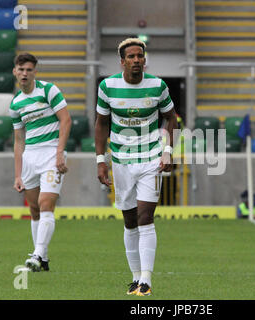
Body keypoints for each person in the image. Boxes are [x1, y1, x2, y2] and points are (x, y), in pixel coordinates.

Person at [94, 38, 178, 296]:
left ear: (144, 59)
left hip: (150, 159)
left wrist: (167, 151)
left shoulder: (157, 86)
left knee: (145, 217)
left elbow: (171, 118)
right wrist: (101, 160)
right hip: (120, 161)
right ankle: (135, 278)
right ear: (122, 61)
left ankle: (146, 280)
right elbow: (101, 124)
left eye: (139, 56)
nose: (136, 60)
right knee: (129, 220)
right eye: (131, 56)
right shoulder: (107, 86)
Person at [10, 53, 72, 272]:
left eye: (29, 69)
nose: (24, 73)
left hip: (51, 154)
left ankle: (36, 255)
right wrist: (18, 174)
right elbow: (19, 141)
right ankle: (43, 259)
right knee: (34, 209)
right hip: (30, 157)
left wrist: (59, 152)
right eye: (21, 69)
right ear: (14, 72)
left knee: (46, 203)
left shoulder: (48, 90)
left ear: (35, 71)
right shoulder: (15, 103)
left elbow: (66, 120)